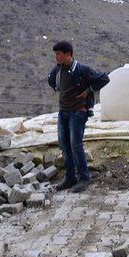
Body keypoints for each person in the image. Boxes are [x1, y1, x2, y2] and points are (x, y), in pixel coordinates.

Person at [48, 41, 109, 193]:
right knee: (65, 145)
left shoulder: (82, 69)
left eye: (58, 54)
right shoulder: (58, 70)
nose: (56, 57)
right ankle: (70, 178)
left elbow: (104, 78)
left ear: (68, 54)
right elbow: (51, 81)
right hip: (63, 112)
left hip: (78, 113)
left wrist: (89, 90)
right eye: (55, 54)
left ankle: (84, 178)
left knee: (76, 145)